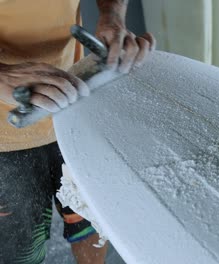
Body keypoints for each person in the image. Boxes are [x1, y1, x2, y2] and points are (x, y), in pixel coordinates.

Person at [0, 0, 155, 263]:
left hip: (72, 109)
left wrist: (112, 14)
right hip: (5, 140)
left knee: (91, 225)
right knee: (23, 253)